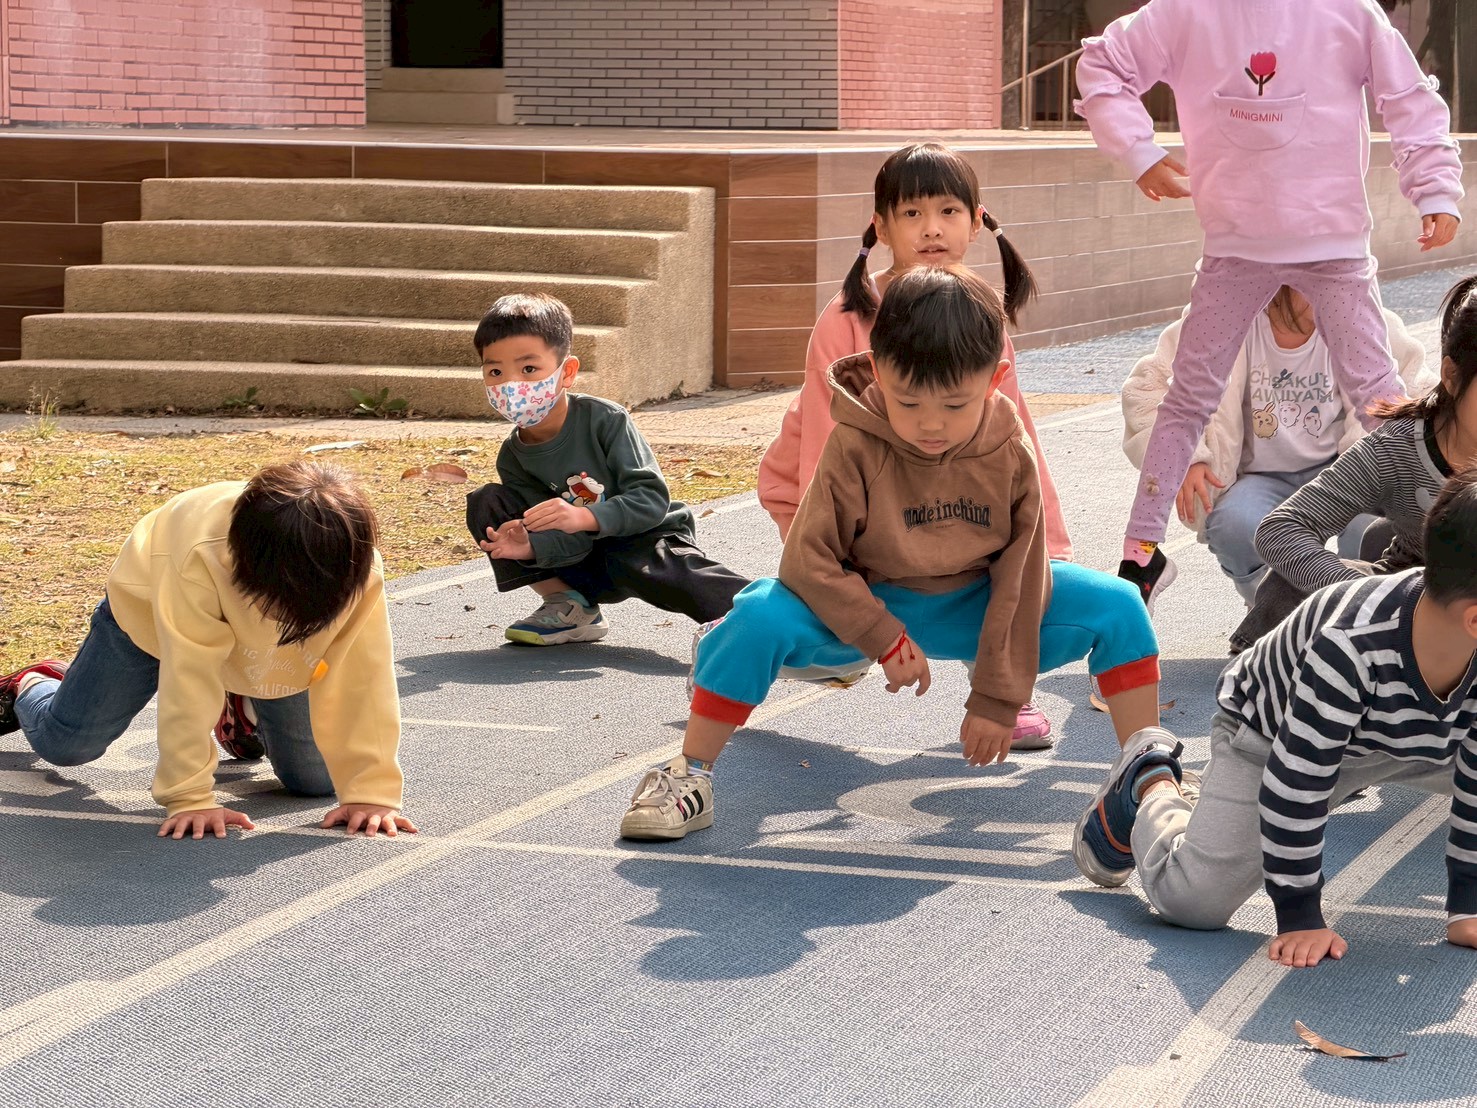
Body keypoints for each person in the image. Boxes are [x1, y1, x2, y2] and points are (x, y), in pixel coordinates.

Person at [618, 266, 1166, 842]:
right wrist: (881, 634)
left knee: (1120, 605)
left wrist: (998, 698)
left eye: (955, 405)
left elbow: (1024, 574)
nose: (931, 424)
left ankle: (1148, 781)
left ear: (995, 379)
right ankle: (690, 774)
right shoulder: (853, 441)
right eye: (908, 402)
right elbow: (808, 559)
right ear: (878, 371)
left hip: (975, 604)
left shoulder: (1009, 448)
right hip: (864, 603)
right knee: (754, 614)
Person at [1074, 0, 1463, 608]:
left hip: (1332, 245)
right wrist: (1137, 151)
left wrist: (1435, 185)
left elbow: (1409, 98)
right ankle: (1141, 556)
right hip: (1235, 247)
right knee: (1187, 399)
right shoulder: (1186, 13)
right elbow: (1103, 64)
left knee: (1381, 402)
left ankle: (1442, 549)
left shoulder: (1348, 14)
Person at [1072, 468, 1477, 968]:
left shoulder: (1461, 627)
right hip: (1273, 736)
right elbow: (1297, 782)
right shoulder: (1351, 645)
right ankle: (1150, 782)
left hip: (1411, 738)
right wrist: (1300, 915)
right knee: (1193, 901)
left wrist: (1468, 905)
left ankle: (1205, 801)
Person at [756, 140, 1071, 747]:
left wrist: (1046, 539)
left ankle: (1002, 688)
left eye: (949, 211)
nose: (932, 228)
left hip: (944, 496)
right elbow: (826, 439)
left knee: (997, 571)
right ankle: (733, 643)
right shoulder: (847, 317)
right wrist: (844, 562)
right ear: (880, 227)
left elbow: (1013, 433)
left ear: (976, 223)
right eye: (911, 213)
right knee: (837, 644)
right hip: (847, 497)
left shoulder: (979, 314)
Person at [0, 461, 414, 841]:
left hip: (277, 640)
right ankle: (33, 683)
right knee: (67, 744)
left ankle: (240, 704)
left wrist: (371, 792)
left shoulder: (359, 569)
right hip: (150, 614)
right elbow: (189, 678)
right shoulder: (198, 555)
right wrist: (190, 797)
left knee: (314, 781)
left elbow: (365, 674)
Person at [466, 293, 749, 645]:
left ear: (567, 372)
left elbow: (651, 500)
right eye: (495, 371)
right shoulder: (513, 455)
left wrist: (583, 517)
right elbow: (562, 538)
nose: (511, 385)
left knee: (680, 575)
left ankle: (773, 618)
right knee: (486, 500)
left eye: (528, 369)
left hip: (644, 540)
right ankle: (568, 605)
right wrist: (532, 546)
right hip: (584, 557)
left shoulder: (605, 419)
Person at [1122, 285, 1433, 605]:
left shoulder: (1364, 318)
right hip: (1261, 478)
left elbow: (1419, 394)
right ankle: (1270, 610)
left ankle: (1357, 611)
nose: (1334, 282)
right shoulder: (1223, 318)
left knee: (1374, 526)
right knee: (1234, 525)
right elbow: (1146, 389)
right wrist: (1190, 454)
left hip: (1343, 469)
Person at [1232, 273, 1477, 650]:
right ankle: (1257, 675)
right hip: (1404, 609)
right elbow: (1282, 528)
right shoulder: (1399, 448)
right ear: (1452, 376)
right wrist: (1363, 598)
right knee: (1290, 583)